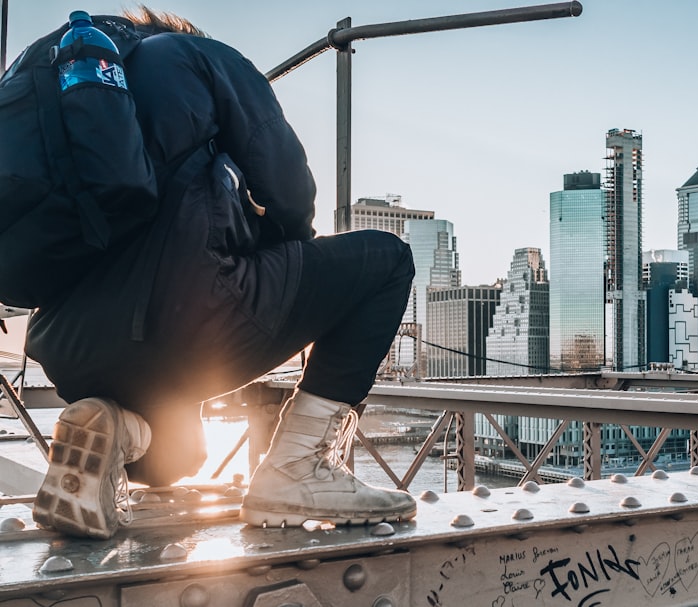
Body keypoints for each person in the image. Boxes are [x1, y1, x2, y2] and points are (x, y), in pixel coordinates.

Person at [26, 7, 416, 540]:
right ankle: (298, 467)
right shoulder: (202, 59)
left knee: (182, 453)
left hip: (65, 348)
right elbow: (291, 192)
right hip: (191, 314)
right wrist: (282, 266)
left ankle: (119, 427)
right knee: (387, 260)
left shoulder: (66, 105)